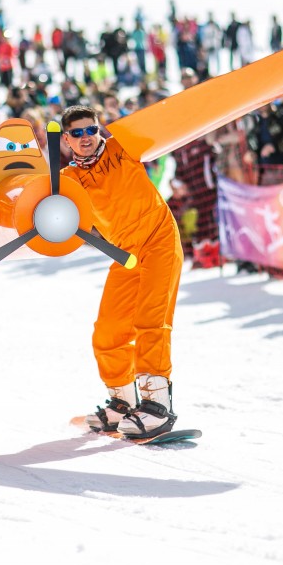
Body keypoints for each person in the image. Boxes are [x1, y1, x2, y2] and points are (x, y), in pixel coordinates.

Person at [60, 105, 183, 439]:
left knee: (150, 321)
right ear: (67, 140)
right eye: (77, 133)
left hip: (158, 239)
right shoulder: (69, 179)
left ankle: (157, 404)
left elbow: (166, 124)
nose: (86, 138)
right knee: (108, 332)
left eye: (91, 130)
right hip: (126, 254)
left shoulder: (123, 148)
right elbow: (39, 199)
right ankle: (123, 402)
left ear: (100, 130)